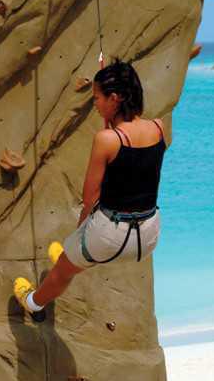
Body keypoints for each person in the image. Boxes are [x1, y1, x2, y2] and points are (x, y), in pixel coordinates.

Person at [13, 60, 169, 314]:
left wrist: (80, 235)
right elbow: (135, 161)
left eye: (97, 98)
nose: (95, 104)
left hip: (112, 237)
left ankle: (32, 303)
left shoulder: (105, 140)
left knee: (64, 268)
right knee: (86, 245)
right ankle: (81, 253)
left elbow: (90, 198)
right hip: (148, 236)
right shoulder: (158, 128)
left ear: (114, 98)